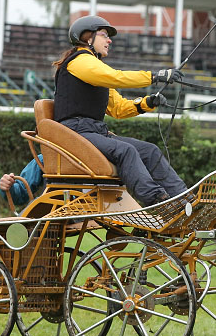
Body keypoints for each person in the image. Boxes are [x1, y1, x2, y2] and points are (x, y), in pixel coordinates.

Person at [51, 15, 188, 206]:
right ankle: (157, 200)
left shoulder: (96, 69)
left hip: (93, 132)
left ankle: (184, 200)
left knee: (150, 151)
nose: (109, 40)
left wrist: (147, 103)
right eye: (104, 35)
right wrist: (155, 76)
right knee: (126, 151)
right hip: (75, 133)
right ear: (87, 37)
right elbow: (116, 77)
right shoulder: (80, 61)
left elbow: (119, 109)